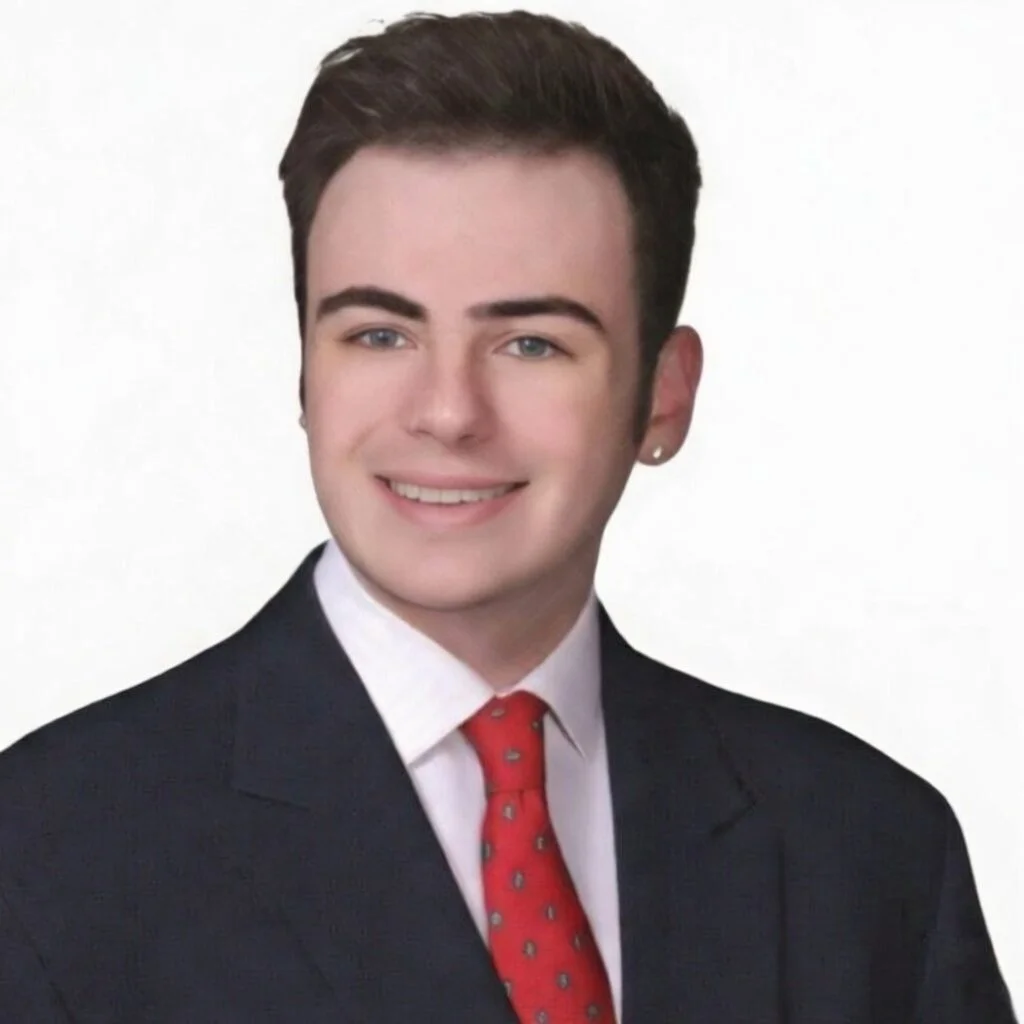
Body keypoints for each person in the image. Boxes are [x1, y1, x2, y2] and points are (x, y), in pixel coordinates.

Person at [0, 9, 1015, 1022]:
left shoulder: (867, 852)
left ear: (662, 394)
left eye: (530, 343)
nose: (446, 413)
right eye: (379, 333)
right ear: (307, 369)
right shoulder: (42, 853)